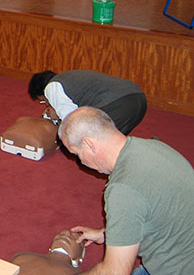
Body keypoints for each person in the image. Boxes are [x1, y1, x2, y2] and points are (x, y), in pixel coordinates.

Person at [59, 106, 194, 275]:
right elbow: (156, 207)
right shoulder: (154, 146)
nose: (82, 162)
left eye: (77, 154)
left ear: (88, 144)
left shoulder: (123, 190)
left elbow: (114, 272)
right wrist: (107, 233)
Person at [28, 70, 146, 135]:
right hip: (138, 99)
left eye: (43, 101)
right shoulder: (69, 78)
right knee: (116, 142)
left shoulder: (52, 87)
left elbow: (72, 121)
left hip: (119, 105)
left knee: (83, 143)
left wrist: (57, 116)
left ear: (44, 92)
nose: (47, 104)